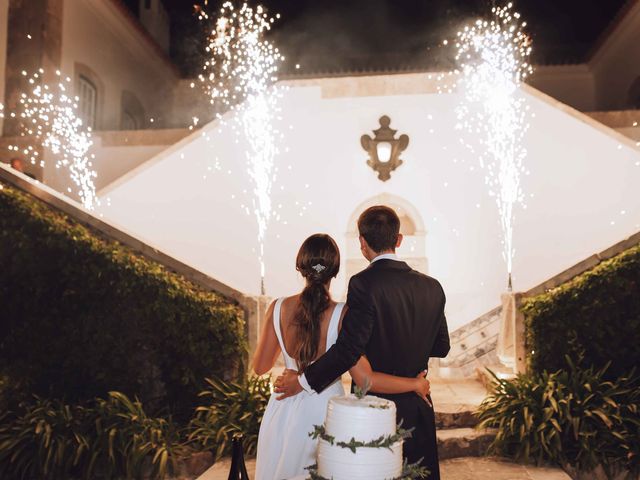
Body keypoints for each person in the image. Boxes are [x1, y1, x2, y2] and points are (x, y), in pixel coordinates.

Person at [275, 206, 450, 479]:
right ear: (399, 240)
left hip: (373, 410)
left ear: (362, 243)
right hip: (418, 403)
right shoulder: (433, 287)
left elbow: (348, 349)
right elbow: (441, 347)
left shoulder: (363, 284)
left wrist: (303, 381)